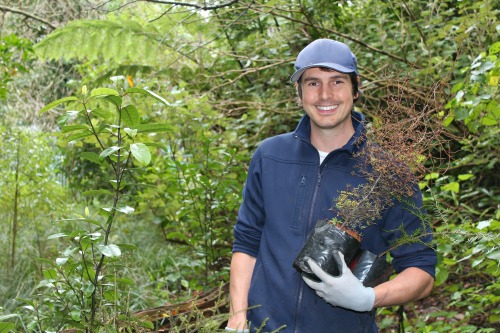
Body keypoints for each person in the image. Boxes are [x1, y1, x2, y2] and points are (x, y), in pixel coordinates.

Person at [225, 39, 436, 333]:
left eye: (337, 81)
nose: (325, 94)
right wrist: (238, 317)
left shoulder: (388, 173)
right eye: (312, 83)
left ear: (356, 87)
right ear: (299, 93)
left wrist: (368, 298)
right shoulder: (270, 156)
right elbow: (247, 244)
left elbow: (421, 269)